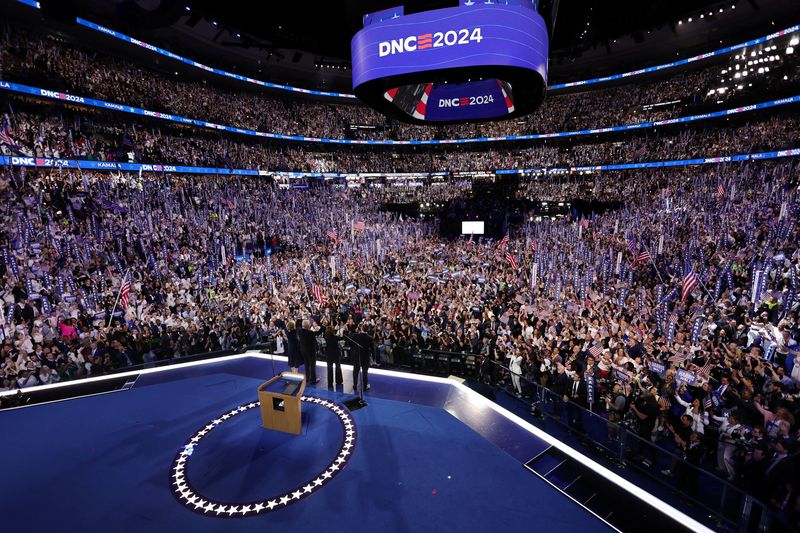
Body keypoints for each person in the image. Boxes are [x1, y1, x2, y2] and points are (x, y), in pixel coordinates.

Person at [352, 323, 374, 393]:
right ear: (368, 330)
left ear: (361, 329)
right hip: (365, 357)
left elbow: (350, 339)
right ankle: (365, 386)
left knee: (355, 372)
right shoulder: (370, 338)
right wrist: (373, 357)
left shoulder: (356, 336)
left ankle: (355, 385)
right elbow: (372, 349)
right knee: (365, 372)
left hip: (357, 356)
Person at [298, 320, 319, 384]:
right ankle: (313, 379)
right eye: (309, 323)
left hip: (303, 351)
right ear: (308, 325)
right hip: (311, 351)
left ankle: (307, 378)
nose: (310, 324)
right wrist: (323, 326)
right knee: (312, 365)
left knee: (306, 364)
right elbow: (318, 333)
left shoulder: (300, 331)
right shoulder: (310, 332)